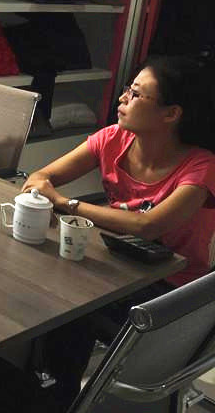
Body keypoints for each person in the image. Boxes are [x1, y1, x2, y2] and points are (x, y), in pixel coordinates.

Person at [20, 55, 215, 410]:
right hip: (116, 266)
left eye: (136, 94)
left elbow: (148, 225)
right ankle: (43, 386)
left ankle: (57, 396)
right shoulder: (112, 138)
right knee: (37, 281)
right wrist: (41, 190)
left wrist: (66, 203)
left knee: (64, 307)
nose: (123, 98)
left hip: (169, 292)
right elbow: (41, 177)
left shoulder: (201, 167)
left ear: (171, 114)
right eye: (127, 89)